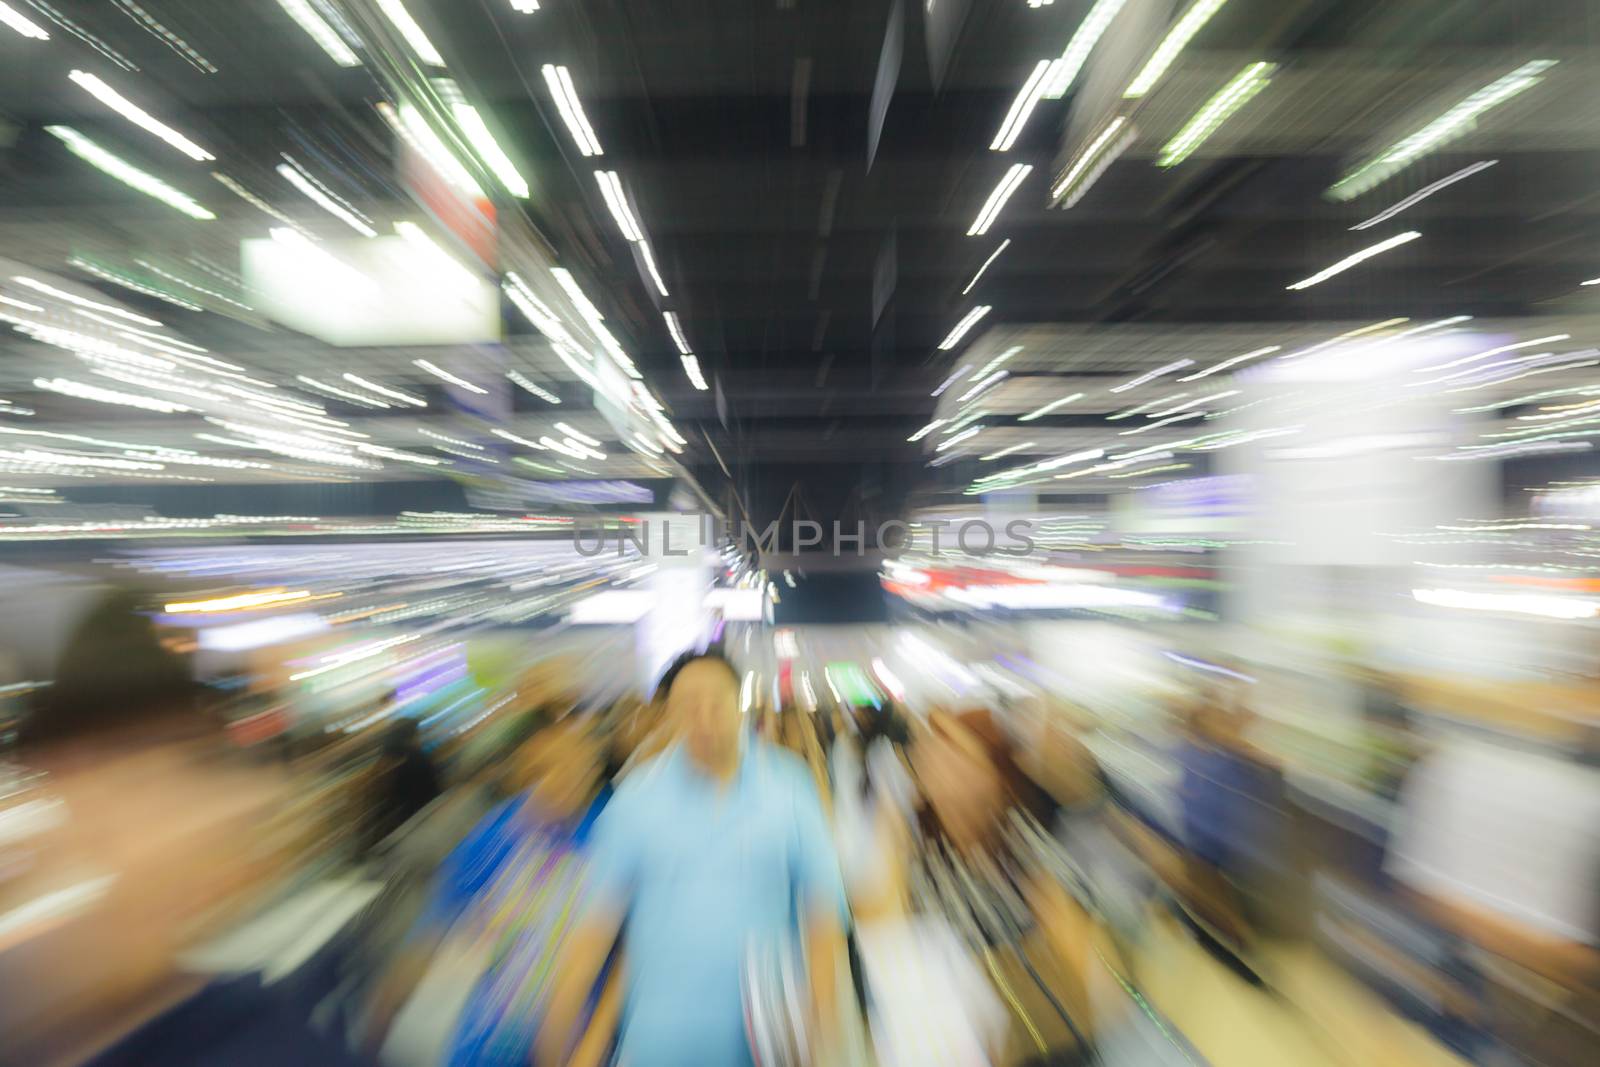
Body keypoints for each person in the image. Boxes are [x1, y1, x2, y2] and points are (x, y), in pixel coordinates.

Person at [537, 649, 847, 1067]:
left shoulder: (789, 787)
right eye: (687, 705)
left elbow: (822, 912)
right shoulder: (636, 800)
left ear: (739, 704)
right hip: (657, 1042)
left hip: (763, 1039)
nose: (703, 716)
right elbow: (595, 923)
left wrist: (820, 1024)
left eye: (715, 701)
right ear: (670, 716)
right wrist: (561, 1022)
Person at [366, 717, 611, 1067]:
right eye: (544, 769)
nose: (561, 779)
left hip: (572, 1040)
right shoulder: (499, 831)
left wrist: (591, 1036)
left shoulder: (611, 832)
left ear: (592, 769)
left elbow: (623, 955)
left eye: (573, 766)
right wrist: (393, 994)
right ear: (524, 775)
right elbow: (441, 912)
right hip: (488, 1034)